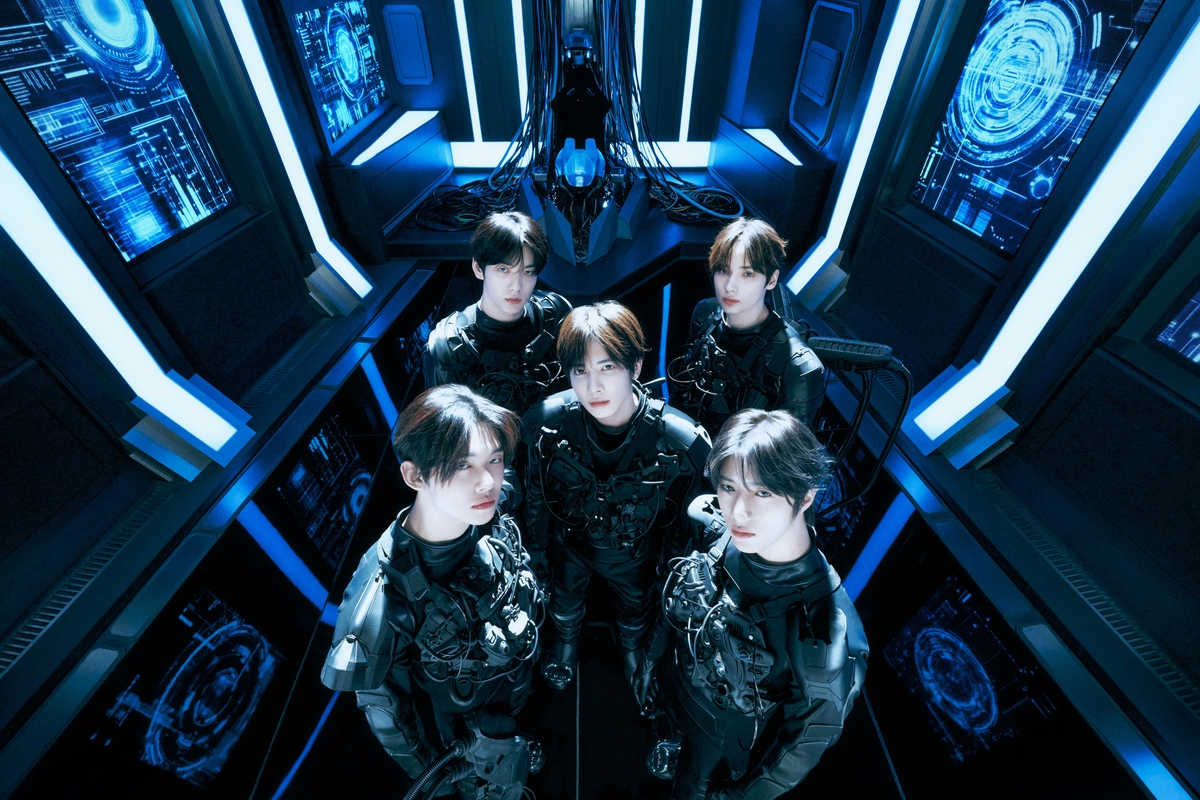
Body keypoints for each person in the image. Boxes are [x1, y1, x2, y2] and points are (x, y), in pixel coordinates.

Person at [321, 386, 544, 800]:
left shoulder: (490, 508)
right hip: (467, 735)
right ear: (415, 475)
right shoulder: (383, 597)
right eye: (462, 465)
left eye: (494, 459)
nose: (488, 481)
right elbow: (389, 718)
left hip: (513, 684)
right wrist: (443, 775)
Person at [656, 408, 867, 800]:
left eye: (763, 492)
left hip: (722, 748)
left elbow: (800, 747)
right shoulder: (718, 532)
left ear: (805, 496)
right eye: (729, 487)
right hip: (675, 692)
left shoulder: (825, 629)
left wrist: (736, 796)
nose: (738, 512)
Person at [522, 301, 711, 707]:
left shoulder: (681, 443)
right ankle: (566, 644)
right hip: (572, 543)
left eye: (607, 368)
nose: (593, 387)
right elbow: (536, 491)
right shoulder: (547, 423)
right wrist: (536, 550)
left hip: (635, 554)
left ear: (635, 366)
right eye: (580, 371)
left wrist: (667, 575)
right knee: (565, 601)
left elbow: (685, 525)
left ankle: (630, 648)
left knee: (635, 610)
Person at [668, 217, 824, 437]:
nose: (730, 286)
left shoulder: (797, 367)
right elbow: (682, 392)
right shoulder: (705, 314)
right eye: (723, 270)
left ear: (771, 280)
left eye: (747, 274)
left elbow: (790, 453)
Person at [425, 212, 572, 417]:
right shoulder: (448, 349)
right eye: (503, 269)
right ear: (478, 268)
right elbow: (446, 428)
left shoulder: (556, 314)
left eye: (527, 272)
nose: (516, 286)